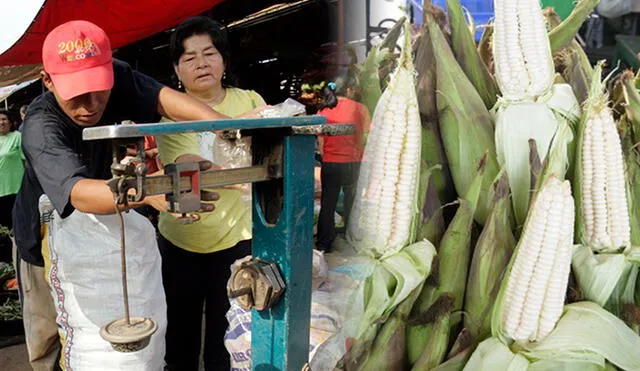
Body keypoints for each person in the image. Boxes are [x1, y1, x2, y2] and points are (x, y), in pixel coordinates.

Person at [12, 20, 263, 370]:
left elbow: (165, 100)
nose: (91, 103)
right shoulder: (41, 125)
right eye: (77, 93)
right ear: (48, 80)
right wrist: (150, 191)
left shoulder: (120, 77)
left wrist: (223, 125)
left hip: (106, 223)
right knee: (53, 335)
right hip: (43, 236)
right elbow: (79, 193)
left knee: (112, 329)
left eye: (99, 88)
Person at [155, 16, 265, 371]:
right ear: (177, 69)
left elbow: (266, 148)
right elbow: (190, 169)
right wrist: (245, 168)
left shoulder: (248, 99)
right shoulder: (170, 116)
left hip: (237, 240)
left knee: (230, 331)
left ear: (224, 61)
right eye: (189, 58)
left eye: (209, 53)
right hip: (181, 242)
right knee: (181, 337)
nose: (201, 63)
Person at [316, 77, 370, 252]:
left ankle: (324, 243)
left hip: (331, 164)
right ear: (349, 90)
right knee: (353, 202)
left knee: (328, 203)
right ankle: (351, 236)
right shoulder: (360, 108)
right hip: (354, 163)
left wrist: (327, 158)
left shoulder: (323, 111)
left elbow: (320, 143)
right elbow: (368, 135)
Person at [0, 110, 24, 230]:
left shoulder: (17, 137)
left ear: (10, 122)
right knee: (4, 230)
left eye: (4, 119)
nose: (1, 122)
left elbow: (27, 161)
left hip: (14, 188)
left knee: (17, 226)